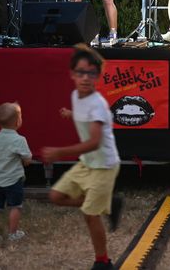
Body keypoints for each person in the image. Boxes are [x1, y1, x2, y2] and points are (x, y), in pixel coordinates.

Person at [41, 44, 123, 270]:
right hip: (88, 163)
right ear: (72, 74)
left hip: (104, 166)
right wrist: (71, 114)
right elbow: (82, 114)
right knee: (56, 196)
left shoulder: (98, 105)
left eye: (91, 73)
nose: (85, 78)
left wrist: (59, 152)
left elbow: (94, 142)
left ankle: (103, 262)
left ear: (98, 76)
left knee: (90, 214)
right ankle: (108, 203)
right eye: (81, 73)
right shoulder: (76, 96)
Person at [0, 102, 32, 242]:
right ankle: (13, 233)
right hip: (13, 181)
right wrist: (24, 161)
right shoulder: (19, 140)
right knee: (15, 207)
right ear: (18, 121)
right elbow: (27, 159)